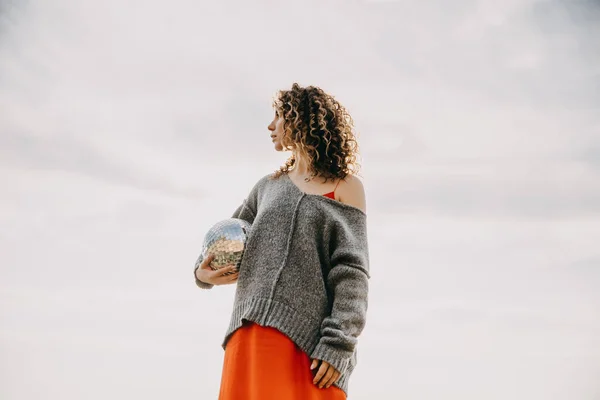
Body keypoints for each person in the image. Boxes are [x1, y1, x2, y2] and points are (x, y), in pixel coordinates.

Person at [194, 83, 370, 400]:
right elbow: (225, 238)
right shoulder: (266, 188)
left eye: (279, 115)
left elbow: (351, 271)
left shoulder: (346, 186)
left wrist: (338, 342)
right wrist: (201, 273)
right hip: (249, 335)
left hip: (312, 344)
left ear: (301, 119)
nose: (270, 125)